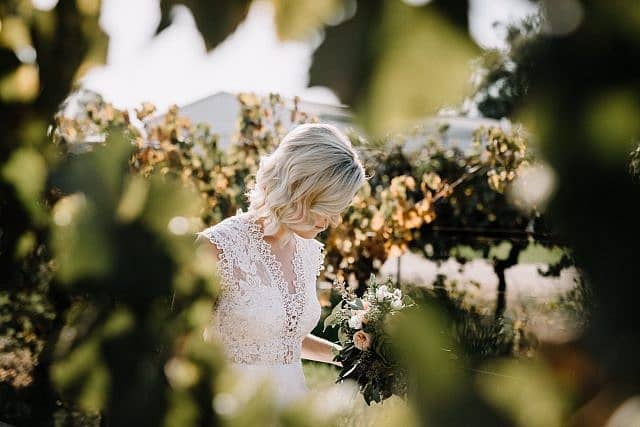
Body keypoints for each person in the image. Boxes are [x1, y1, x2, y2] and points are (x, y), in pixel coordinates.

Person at [196, 123, 366, 408]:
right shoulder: (217, 247)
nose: (333, 219)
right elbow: (181, 349)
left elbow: (283, 340)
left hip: (292, 405)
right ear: (299, 188)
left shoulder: (308, 251)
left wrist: (350, 356)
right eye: (326, 205)